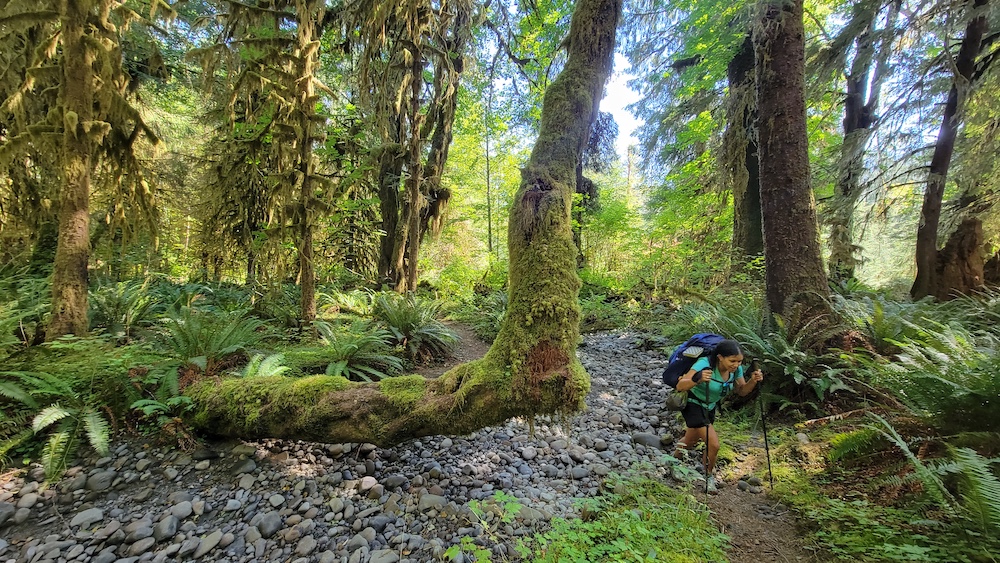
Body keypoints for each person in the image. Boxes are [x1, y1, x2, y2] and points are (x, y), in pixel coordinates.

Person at [673, 339, 763, 493]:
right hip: (693, 403)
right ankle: (708, 477)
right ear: (720, 357)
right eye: (732, 361)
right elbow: (680, 385)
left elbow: (742, 391)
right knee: (714, 444)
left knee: (691, 439)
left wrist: (753, 381)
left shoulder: (736, 370)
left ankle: (673, 462)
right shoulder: (703, 364)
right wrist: (698, 378)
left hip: (710, 406)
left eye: (739, 361)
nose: (736, 365)